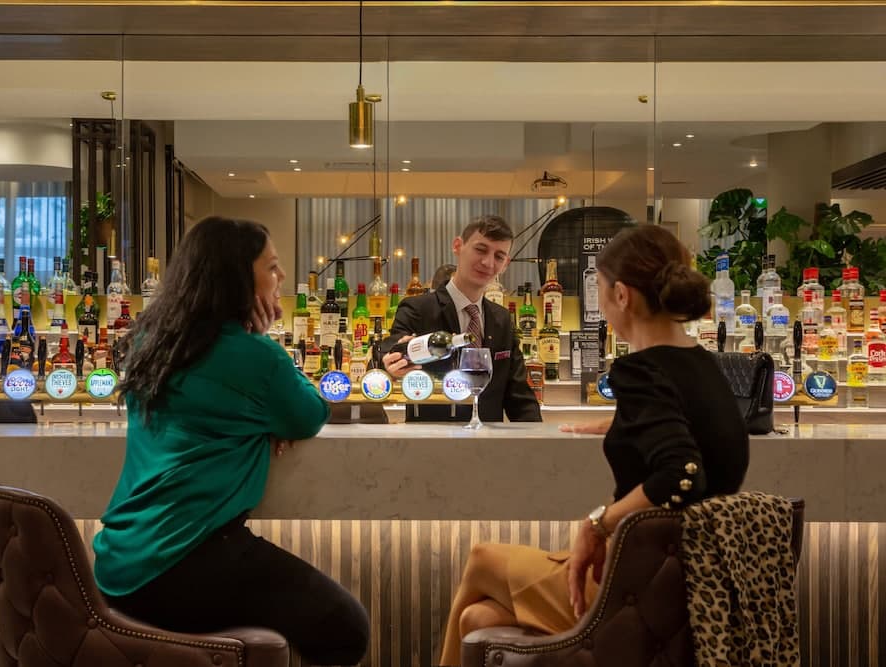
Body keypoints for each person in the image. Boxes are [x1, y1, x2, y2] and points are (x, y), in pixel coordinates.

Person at [437, 224, 750, 666]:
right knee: (478, 618)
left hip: (640, 590)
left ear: (621, 295)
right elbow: (695, 432)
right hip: (694, 583)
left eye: (600, 290)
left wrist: (598, 523)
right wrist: (625, 424)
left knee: (483, 556)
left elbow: (682, 473)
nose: (600, 306)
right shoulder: (704, 365)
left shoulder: (640, 370)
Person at [93, 216, 369, 666]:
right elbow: (309, 415)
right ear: (237, 277)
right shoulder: (254, 354)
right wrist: (263, 348)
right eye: (272, 267)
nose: (282, 276)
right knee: (347, 628)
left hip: (120, 559)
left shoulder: (151, 339)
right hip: (188, 556)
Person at [382, 215, 540, 423]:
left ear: (505, 264)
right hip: (431, 436)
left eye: (499, 256)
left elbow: (519, 398)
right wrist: (391, 359)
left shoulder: (502, 319)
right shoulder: (418, 308)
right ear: (457, 246)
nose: (488, 262)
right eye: (480, 249)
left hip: (488, 439)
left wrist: (541, 438)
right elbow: (390, 347)